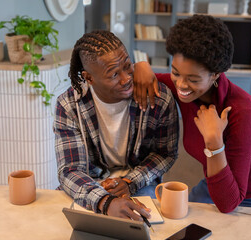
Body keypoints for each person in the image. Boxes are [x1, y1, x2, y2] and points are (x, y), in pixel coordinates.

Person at [133, 15, 251, 213]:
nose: (181, 85)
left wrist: (214, 141)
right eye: (176, 73)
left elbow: (229, 203)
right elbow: (149, 79)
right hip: (214, 182)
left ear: (215, 74)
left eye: (193, 79)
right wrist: (141, 66)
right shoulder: (184, 90)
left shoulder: (241, 110)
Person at [53, 30, 179, 219]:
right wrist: (105, 201)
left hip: (141, 181)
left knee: (146, 229)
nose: (126, 78)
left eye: (128, 66)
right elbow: (70, 170)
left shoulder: (158, 98)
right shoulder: (69, 105)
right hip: (89, 184)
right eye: (114, 74)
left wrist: (130, 181)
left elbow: (165, 154)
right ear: (89, 78)